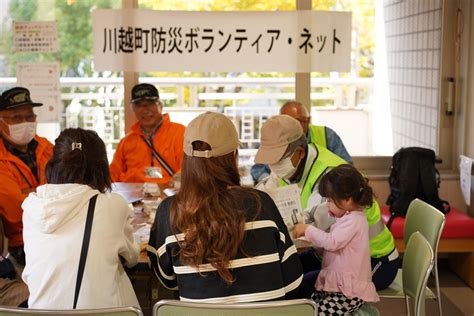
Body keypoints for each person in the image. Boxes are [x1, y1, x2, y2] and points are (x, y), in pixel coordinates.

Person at [147, 112, 303, 303]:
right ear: (234, 156)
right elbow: (293, 282)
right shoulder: (262, 204)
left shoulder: (169, 211)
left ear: (186, 159)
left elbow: (167, 280)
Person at [255, 115, 399, 291]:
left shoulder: (331, 176)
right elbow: (263, 193)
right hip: (331, 254)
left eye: (278, 160)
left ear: (299, 152)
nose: (273, 166)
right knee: (280, 275)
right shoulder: (290, 169)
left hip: (373, 260)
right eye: (270, 161)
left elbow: (311, 227)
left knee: (297, 288)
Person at [22, 128, 140, 308]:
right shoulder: (113, 204)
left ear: (53, 164)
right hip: (96, 313)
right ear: (101, 167)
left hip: (40, 311)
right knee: (119, 276)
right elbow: (132, 257)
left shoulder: (31, 207)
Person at [293, 164, 379, 315]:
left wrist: (308, 230)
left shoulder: (353, 221)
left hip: (347, 293)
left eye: (330, 200)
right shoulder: (348, 217)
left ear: (347, 200)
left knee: (315, 312)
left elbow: (332, 242)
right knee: (310, 304)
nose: (327, 204)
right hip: (338, 287)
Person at [0, 87, 53, 266]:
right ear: (1, 121)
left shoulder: (46, 147)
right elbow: (16, 211)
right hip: (24, 241)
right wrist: (51, 192)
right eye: (16, 117)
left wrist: (28, 192)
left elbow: (72, 187)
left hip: (58, 230)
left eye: (30, 116)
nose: (25, 122)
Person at [251, 100, 352, 183]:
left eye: (295, 121)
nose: (288, 126)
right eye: (285, 121)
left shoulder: (327, 136)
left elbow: (347, 169)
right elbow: (258, 168)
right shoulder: (276, 137)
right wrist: (269, 183)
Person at [110, 83, 185, 185]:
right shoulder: (126, 142)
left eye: (150, 104)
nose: (145, 110)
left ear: (160, 105)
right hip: (133, 197)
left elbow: (190, 168)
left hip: (169, 196)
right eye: (139, 105)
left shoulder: (180, 133)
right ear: (133, 109)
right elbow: (112, 177)